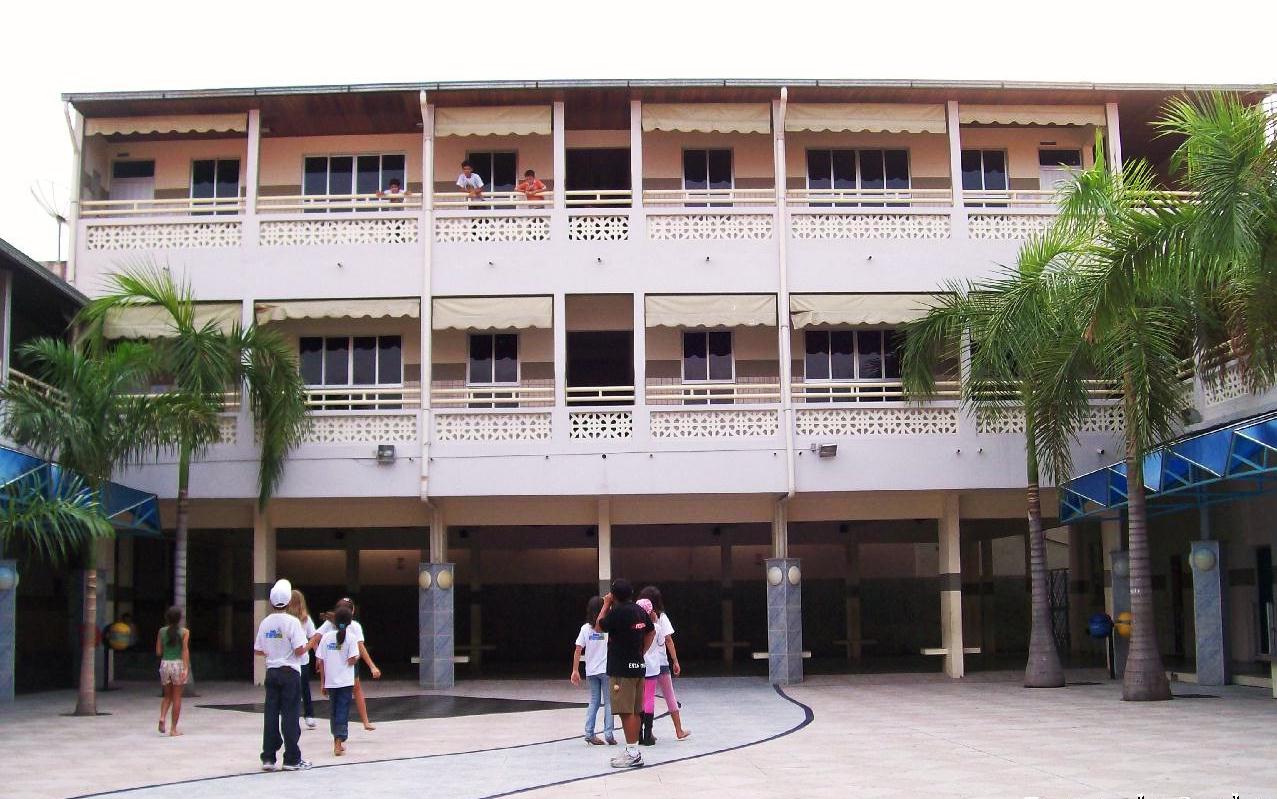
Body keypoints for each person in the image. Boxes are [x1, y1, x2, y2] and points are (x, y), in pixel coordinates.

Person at [254, 578, 311, 771]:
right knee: (290, 715)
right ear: (288, 602)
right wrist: (310, 644)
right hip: (290, 673)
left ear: (271, 602)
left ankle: (268, 757)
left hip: (272, 672)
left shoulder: (265, 623)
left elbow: (258, 650)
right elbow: (300, 650)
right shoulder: (293, 622)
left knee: (270, 715)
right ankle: (291, 758)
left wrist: (274, 651)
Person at [597, 578, 654, 769]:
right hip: (638, 667)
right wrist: (642, 652)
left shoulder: (617, 612)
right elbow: (651, 632)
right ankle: (633, 749)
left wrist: (605, 605)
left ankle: (632, 753)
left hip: (621, 669)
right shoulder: (639, 610)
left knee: (625, 711)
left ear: (614, 595)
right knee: (636, 711)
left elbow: (598, 627)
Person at [313, 597, 381, 731]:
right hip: (337, 665)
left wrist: (371, 665)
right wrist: (316, 655)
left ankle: (363, 722)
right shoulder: (329, 625)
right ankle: (342, 731)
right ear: (352, 611)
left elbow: (360, 647)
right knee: (343, 698)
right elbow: (315, 638)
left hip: (344, 665)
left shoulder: (353, 627)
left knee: (354, 690)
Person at [639, 585, 690, 742]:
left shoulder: (638, 619)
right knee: (669, 696)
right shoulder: (661, 618)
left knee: (645, 698)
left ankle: (646, 731)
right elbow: (668, 640)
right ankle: (678, 730)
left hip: (644, 665)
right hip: (661, 663)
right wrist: (675, 660)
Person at [570, 595, 616, 746]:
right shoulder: (607, 627)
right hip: (606, 670)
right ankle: (608, 732)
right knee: (609, 701)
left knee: (594, 701)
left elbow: (578, 649)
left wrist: (575, 670)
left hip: (591, 671)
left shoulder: (585, 629)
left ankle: (589, 732)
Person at [315, 607, 359, 757]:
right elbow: (352, 660)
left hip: (331, 682)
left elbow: (320, 661)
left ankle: (336, 739)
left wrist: (322, 683)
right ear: (349, 622)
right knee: (342, 710)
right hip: (345, 682)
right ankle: (339, 741)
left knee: (333, 711)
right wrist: (356, 658)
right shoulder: (351, 638)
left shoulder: (326, 637)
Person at [155, 606, 189, 737]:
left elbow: (158, 651)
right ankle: (173, 729)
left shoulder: (161, 631)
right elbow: (184, 650)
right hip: (178, 664)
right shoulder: (185, 632)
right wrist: (185, 668)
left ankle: (162, 717)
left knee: (167, 696)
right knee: (177, 697)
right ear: (180, 619)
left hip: (165, 664)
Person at [287, 589, 318, 730]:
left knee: (302, 687)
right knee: (298, 688)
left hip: (301, 659)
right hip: (290, 659)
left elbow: (313, 637)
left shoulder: (306, 620)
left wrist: (319, 655)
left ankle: (308, 714)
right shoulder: (286, 620)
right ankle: (304, 715)